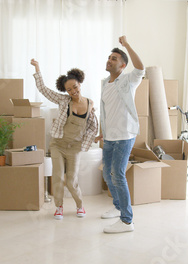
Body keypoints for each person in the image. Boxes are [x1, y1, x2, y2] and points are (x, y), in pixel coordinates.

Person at [30, 59, 98, 220]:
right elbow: (43, 89)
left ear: (80, 83)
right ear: (65, 91)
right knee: (59, 177)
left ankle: (80, 206)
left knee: (71, 179)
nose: (73, 91)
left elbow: (91, 126)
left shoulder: (90, 103)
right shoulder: (63, 100)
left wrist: (94, 138)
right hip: (58, 145)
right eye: (69, 89)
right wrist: (38, 68)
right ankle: (59, 207)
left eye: (75, 87)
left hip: (74, 147)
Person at [95, 36, 144, 233]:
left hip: (125, 135)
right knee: (107, 173)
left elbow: (140, 67)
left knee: (118, 176)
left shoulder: (128, 80)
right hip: (110, 137)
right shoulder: (105, 83)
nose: (110, 60)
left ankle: (127, 221)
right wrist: (102, 132)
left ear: (123, 65)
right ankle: (118, 208)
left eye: (114, 58)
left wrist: (127, 46)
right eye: (109, 57)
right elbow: (106, 111)